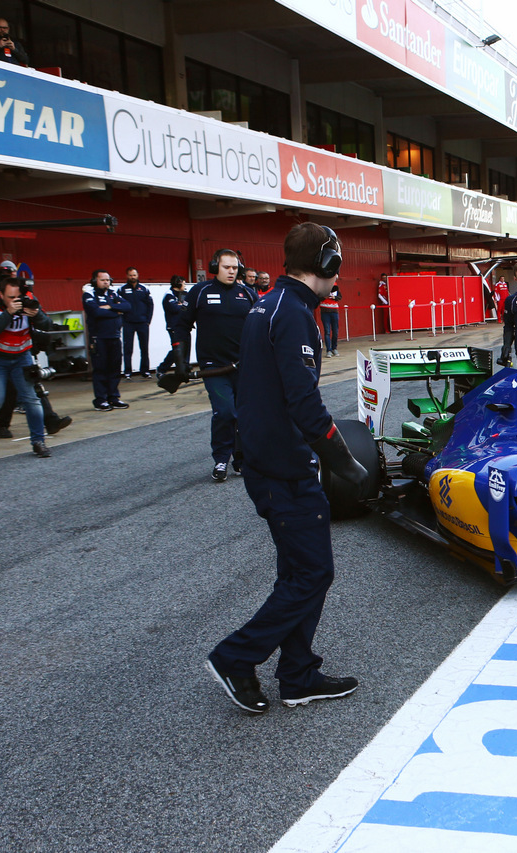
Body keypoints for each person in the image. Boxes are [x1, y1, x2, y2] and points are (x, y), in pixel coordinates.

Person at [205, 222, 364, 714]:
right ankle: (236, 656)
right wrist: (347, 463)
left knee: (298, 573)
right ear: (328, 264)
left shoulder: (267, 303)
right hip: (284, 466)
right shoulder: (293, 313)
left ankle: (298, 676)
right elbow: (305, 405)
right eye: (337, 264)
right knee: (314, 573)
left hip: (266, 459)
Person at [181, 249, 256, 481]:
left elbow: (263, 327)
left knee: (245, 415)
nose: (231, 272)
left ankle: (242, 460)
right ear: (216, 268)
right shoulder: (200, 292)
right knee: (225, 412)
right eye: (226, 267)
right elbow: (182, 326)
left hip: (244, 366)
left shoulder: (248, 294)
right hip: (213, 367)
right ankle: (221, 459)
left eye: (235, 268)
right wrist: (180, 361)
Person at [0, 275, 55, 458]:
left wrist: (37, 314)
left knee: (31, 399)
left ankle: (38, 441)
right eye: (10, 298)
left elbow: (48, 325)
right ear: (1, 294)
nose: (15, 301)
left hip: (21, 356)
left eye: (16, 297)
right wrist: (8, 312)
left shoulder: (29, 301)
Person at [82, 270, 130, 411]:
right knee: (101, 369)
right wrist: (116, 312)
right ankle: (101, 400)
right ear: (94, 280)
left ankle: (113, 397)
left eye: (108, 280)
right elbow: (95, 312)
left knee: (114, 369)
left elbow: (127, 306)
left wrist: (110, 307)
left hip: (114, 337)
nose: (106, 282)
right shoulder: (89, 294)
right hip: (99, 338)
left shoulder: (113, 294)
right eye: (103, 280)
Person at [118, 267, 153, 377]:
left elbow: (150, 305)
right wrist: (122, 321)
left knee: (144, 348)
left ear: (137, 275)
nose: (132, 277)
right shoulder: (121, 290)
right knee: (128, 348)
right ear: (127, 276)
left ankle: (145, 371)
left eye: (134, 275)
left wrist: (148, 320)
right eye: (130, 275)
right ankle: (128, 371)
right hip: (128, 323)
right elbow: (118, 305)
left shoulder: (144, 289)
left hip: (142, 323)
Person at [156, 275, 190, 376]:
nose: (184, 286)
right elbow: (175, 308)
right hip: (174, 327)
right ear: (179, 283)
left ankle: (185, 370)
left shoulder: (184, 294)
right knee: (177, 350)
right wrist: (182, 306)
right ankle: (161, 369)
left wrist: (182, 306)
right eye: (184, 283)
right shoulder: (169, 295)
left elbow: (189, 306)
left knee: (186, 349)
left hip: (185, 325)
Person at [319, 281, 340, 357]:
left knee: (335, 331)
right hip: (325, 311)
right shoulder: (322, 286)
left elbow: (339, 297)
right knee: (327, 331)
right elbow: (318, 297)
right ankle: (329, 350)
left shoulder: (336, 286)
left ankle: (334, 348)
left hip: (334, 311)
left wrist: (334, 297)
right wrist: (324, 297)